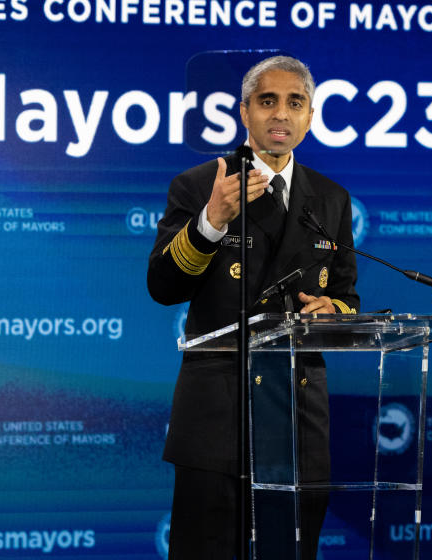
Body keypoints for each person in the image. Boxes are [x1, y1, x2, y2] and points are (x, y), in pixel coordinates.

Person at [147, 55, 359, 559]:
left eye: (295, 103)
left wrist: (333, 312)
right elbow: (163, 286)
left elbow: (348, 299)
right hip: (219, 414)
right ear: (244, 112)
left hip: (295, 417)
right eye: (267, 101)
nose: (280, 114)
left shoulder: (330, 199)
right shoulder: (200, 184)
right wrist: (211, 220)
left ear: (310, 115)